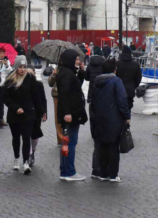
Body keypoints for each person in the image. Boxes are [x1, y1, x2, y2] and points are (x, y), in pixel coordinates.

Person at [88, 58, 130, 182]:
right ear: (114, 70)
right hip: (113, 118)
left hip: (99, 118)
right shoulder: (116, 81)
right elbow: (122, 100)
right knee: (113, 146)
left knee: (101, 146)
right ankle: (113, 174)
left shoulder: (96, 81)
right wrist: (126, 116)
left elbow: (92, 100)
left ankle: (103, 173)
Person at [55, 49, 88, 181]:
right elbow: (64, 94)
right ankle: (69, 171)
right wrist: (67, 112)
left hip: (70, 112)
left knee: (66, 142)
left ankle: (65, 170)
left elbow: (76, 87)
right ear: (70, 59)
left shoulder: (67, 72)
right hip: (71, 113)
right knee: (71, 142)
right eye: (76, 59)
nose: (78, 61)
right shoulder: (67, 74)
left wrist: (81, 72)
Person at [1, 56, 37, 174]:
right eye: (20, 67)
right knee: (16, 138)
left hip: (28, 113)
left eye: (24, 67)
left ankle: (26, 162)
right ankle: (16, 158)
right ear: (16, 67)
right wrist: (16, 108)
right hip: (14, 114)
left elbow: (35, 95)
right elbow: (6, 98)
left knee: (26, 138)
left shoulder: (30, 78)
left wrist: (41, 111)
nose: (22, 69)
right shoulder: (10, 80)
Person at [29, 64, 48, 167]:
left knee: (35, 134)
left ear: (34, 73)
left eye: (31, 73)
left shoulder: (39, 84)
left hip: (37, 112)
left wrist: (44, 113)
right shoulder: (21, 84)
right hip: (26, 113)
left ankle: (33, 151)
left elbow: (43, 99)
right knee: (27, 133)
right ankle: (29, 153)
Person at [115, 46, 143, 111]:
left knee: (118, 108)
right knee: (128, 107)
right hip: (130, 90)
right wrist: (134, 86)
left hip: (118, 89)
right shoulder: (136, 64)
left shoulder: (117, 64)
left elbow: (114, 76)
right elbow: (138, 78)